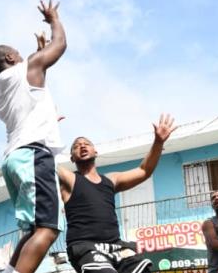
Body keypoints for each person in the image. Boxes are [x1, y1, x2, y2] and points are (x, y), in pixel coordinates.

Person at [0, 0, 66, 273]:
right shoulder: (25, 69)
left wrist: (35, 54)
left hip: (14, 159)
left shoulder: (0, 91)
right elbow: (60, 47)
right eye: (18, 54)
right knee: (48, 229)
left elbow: (31, 92)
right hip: (33, 155)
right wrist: (53, 18)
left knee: (32, 229)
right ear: (10, 58)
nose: (24, 57)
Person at [58, 114, 176, 273]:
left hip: (116, 247)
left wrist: (158, 142)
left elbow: (144, 171)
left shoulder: (111, 180)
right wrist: (45, 130)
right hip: (85, 247)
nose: (82, 146)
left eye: (86, 143)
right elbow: (44, 161)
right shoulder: (69, 180)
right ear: (72, 157)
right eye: (76, 146)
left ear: (96, 152)